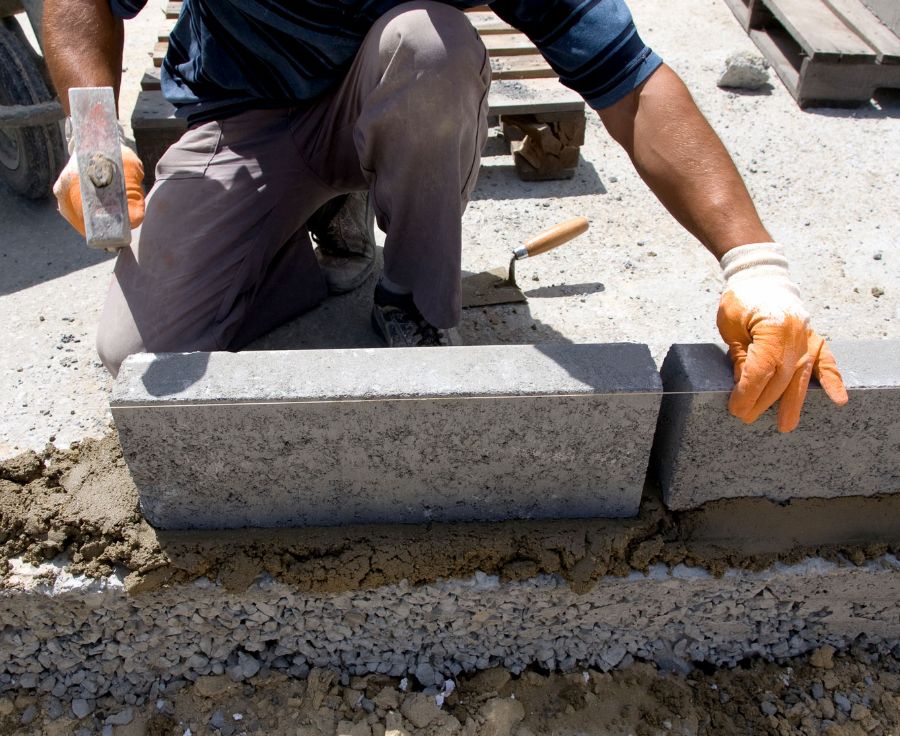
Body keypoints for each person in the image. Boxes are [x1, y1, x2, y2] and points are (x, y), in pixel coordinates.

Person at [46, 0, 848, 433]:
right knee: (137, 352)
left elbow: (630, 80)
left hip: (391, 89)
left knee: (434, 49)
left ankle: (413, 305)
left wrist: (756, 266)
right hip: (246, 113)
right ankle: (312, 235)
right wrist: (92, 136)